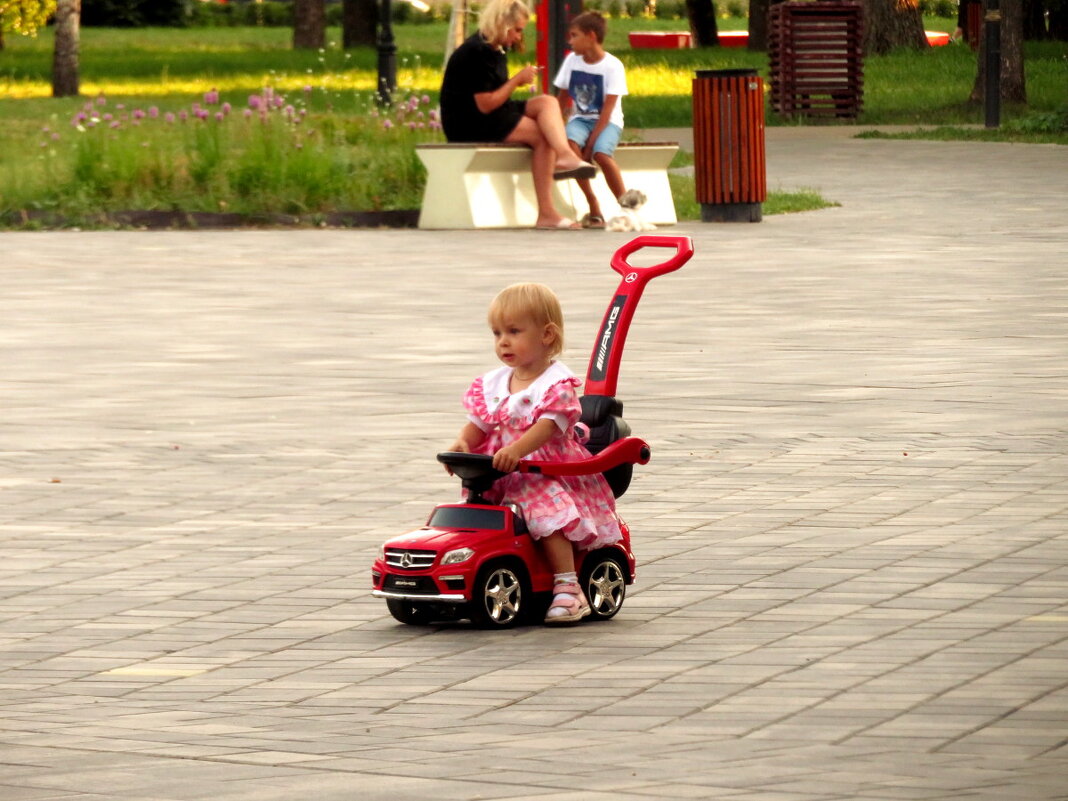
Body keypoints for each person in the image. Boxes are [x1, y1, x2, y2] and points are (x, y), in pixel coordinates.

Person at [447, 283, 622, 623]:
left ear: (546, 335)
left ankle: (568, 588)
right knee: (477, 510)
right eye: (497, 333)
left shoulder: (556, 386)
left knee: (546, 515)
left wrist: (516, 450)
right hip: (503, 470)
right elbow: (479, 423)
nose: (503, 341)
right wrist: (461, 443)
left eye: (514, 331)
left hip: (546, 469)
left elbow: (547, 428)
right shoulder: (495, 384)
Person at [439, 0, 596, 230]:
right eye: (518, 30)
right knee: (542, 136)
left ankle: (564, 156)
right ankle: (547, 213)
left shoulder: (496, 49)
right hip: (470, 121)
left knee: (547, 102)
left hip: (491, 113)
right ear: (502, 24)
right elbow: (485, 104)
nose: (518, 37)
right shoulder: (476, 52)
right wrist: (517, 80)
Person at [553, 12, 628, 229]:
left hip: (608, 121)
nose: (570, 41)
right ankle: (593, 203)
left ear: (591, 36)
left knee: (602, 155)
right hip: (580, 120)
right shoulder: (572, 61)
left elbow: (607, 110)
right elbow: (562, 98)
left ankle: (627, 207)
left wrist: (592, 145)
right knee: (570, 147)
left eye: (574, 36)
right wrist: (555, 127)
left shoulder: (613, 66)